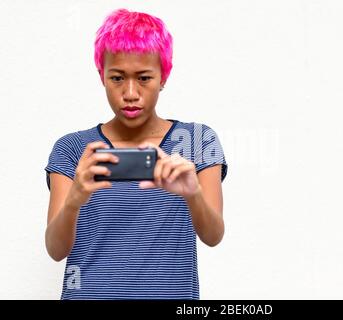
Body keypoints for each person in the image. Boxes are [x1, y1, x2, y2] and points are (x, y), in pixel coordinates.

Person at [44, 8, 228, 300]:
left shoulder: (196, 140)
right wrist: (73, 202)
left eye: (144, 78)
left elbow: (214, 235)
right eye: (117, 78)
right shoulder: (72, 148)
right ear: (102, 75)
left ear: (163, 75)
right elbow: (55, 250)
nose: (130, 93)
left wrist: (193, 195)